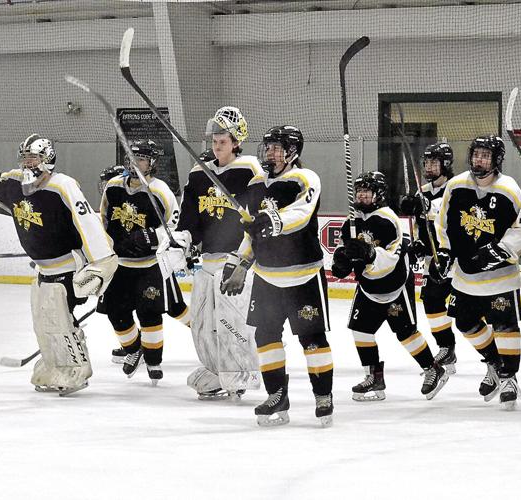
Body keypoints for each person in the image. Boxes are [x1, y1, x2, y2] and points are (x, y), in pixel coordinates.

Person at [0, 133, 118, 396]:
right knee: (43, 321)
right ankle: (54, 363)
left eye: (35, 157)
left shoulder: (62, 186)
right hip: (43, 270)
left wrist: (101, 263)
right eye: (26, 157)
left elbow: (86, 222)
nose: (28, 163)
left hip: (66, 268)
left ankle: (76, 367)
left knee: (60, 320)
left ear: (48, 159)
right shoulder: (16, 183)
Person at [225, 125, 333, 427]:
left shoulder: (304, 178)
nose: (270, 152)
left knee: (311, 338)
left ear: (292, 152)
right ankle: (277, 395)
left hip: (303, 275)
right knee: (265, 336)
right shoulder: (257, 182)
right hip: (267, 277)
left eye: (277, 147)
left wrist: (272, 220)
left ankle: (323, 395)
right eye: (268, 147)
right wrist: (239, 264)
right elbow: (251, 232)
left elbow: (301, 214)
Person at [169, 106, 263, 400]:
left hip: (234, 261)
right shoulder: (200, 173)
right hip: (207, 263)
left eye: (223, 139)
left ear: (237, 141)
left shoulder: (250, 170)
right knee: (201, 321)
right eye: (214, 139)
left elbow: (259, 215)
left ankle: (239, 371)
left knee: (231, 321)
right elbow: (190, 219)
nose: (216, 144)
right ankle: (215, 369)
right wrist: (182, 239)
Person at [333, 171, 449, 403]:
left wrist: (369, 253)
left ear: (379, 194)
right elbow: (345, 253)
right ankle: (374, 377)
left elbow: (391, 258)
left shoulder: (387, 219)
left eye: (367, 191)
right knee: (361, 330)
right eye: (359, 191)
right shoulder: (351, 222)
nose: (362, 195)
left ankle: (433, 368)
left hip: (394, 284)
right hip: (367, 288)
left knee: (405, 332)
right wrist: (341, 262)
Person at [433, 135, 521, 410]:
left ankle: (510, 378)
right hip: (465, 277)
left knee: (505, 327)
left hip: (500, 277)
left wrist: (499, 251)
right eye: (476, 154)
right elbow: (444, 223)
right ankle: (494, 364)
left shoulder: (509, 188)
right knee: (465, 323)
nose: (479, 160)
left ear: (496, 160)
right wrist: (444, 250)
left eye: (486, 156)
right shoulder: (456, 185)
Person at [97, 140, 189, 385]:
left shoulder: (160, 191)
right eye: (132, 158)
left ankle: (153, 360)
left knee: (150, 314)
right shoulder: (113, 187)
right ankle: (134, 349)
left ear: (152, 163)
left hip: (149, 266)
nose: (135, 163)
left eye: (141, 159)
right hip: (120, 266)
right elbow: (103, 220)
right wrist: (105, 246)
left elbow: (174, 226)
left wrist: (151, 236)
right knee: (116, 313)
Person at [398, 142, 457, 374]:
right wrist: (419, 245)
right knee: (432, 301)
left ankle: (496, 356)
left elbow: (449, 213)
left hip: (457, 258)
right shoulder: (421, 191)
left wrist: (428, 206)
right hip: (435, 261)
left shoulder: (457, 187)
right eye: (427, 162)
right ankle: (446, 348)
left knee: (467, 311)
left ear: (446, 164)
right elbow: (420, 228)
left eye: (434, 162)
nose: (429, 166)